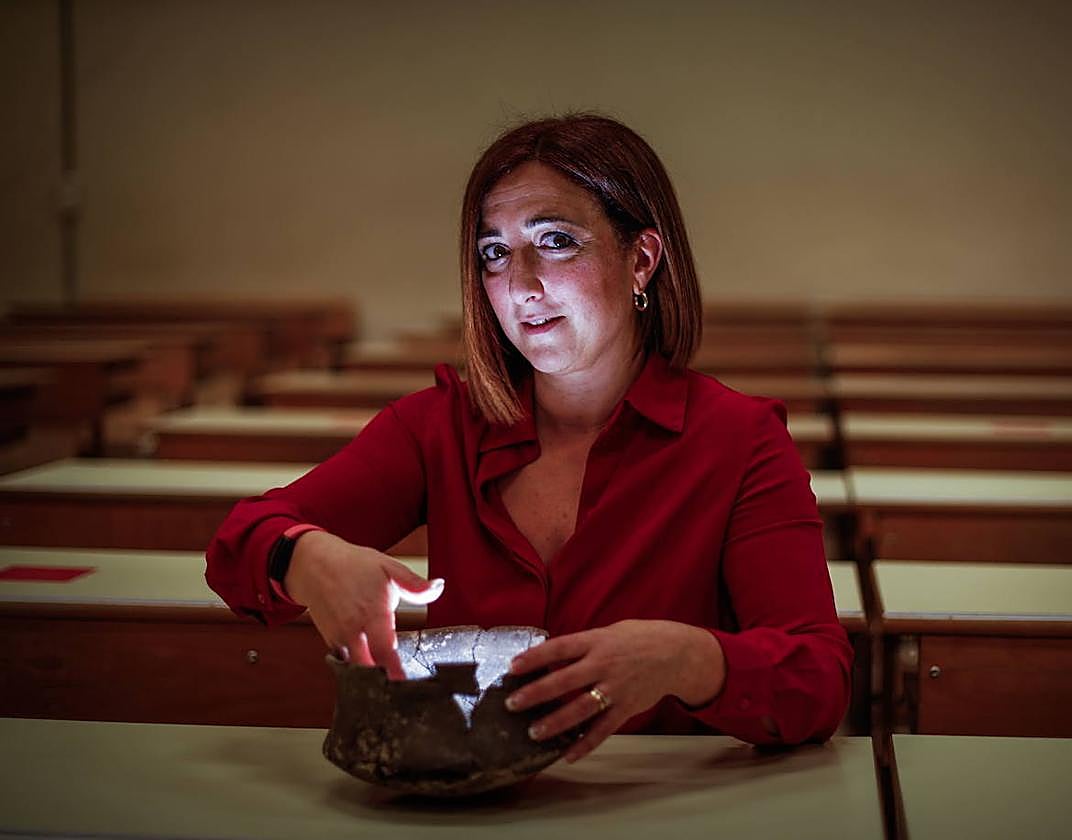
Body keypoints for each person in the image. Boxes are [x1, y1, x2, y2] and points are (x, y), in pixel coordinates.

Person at [206, 114, 851, 763]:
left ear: (642, 259)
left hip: (661, 800)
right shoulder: (440, 426)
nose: (520, 284)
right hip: (470, 800)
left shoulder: (740, 439)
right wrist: (302, 557)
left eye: (556, 241)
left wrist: (687, 658)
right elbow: (237, 546)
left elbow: (820, 681)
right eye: (495, 253)